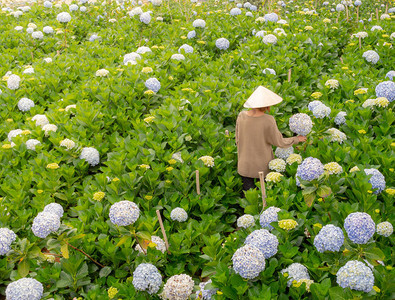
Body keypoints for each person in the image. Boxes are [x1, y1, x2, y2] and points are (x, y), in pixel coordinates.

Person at [235, 86, 307, 192]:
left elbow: (237, 139)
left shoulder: (241, 116)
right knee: (264, 196)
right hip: (262, 167)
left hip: (244, 165)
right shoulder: (268, 120)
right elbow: (279, 141)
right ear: (267, 105)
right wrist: (296, 139)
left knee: (248, 198)